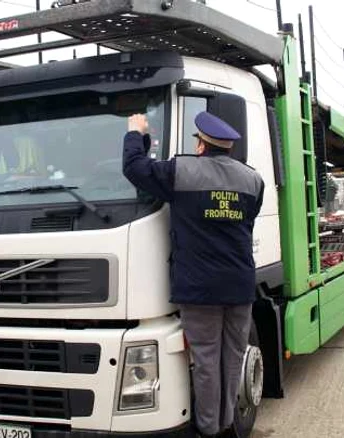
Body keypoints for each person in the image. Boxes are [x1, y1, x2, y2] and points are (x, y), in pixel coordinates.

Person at [122, 112, 264, 438]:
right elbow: (248, 221)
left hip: (200, 290)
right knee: (232, 359)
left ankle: (210, 429)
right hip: (240, 286)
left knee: (206, 362)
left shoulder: (181, 172)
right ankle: (228, 425)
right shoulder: (252, 180)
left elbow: (134, 168)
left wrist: (136, 132)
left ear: (201, 143)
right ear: (228, 147)